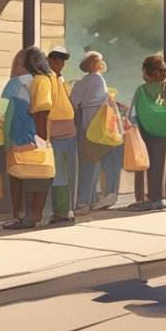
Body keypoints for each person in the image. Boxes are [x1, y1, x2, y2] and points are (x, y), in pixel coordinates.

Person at [2, 47, 54, 229]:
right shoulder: (44, 81)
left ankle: (19, 215)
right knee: (38, 175)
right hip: (39, 135)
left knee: (17, 177)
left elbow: (2, 109)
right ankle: (36, 215)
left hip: (16, 135)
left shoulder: (14, 84)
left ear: (20, 64)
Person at [126, 55, 166, 211]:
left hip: (144, 131)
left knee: (142, 164)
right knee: (161, 165)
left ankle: (143, 199)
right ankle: (160, 198)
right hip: (164, 131)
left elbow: (132, 113)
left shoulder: (141, 90)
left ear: (147, 72)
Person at [71, 51, 112, 213]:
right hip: (97, 123)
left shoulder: (80, 83)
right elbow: (105, 99)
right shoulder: (98, 80)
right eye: (100, 60)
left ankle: (87, 198)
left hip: (83, 122)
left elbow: (73, 102)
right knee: (94, 162)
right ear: (95, 64)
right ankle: (86, 200)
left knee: (86, 161)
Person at [45, 47, 78, 225]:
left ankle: (65, 210)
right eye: (57, 60)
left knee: (65, 174)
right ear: (49, 60)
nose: (61, 63)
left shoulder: (59, 78)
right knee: (61, 174)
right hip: (57, 133)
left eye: (63, 60)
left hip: (66, 132)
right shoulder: (48, 78)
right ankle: (62, 210)